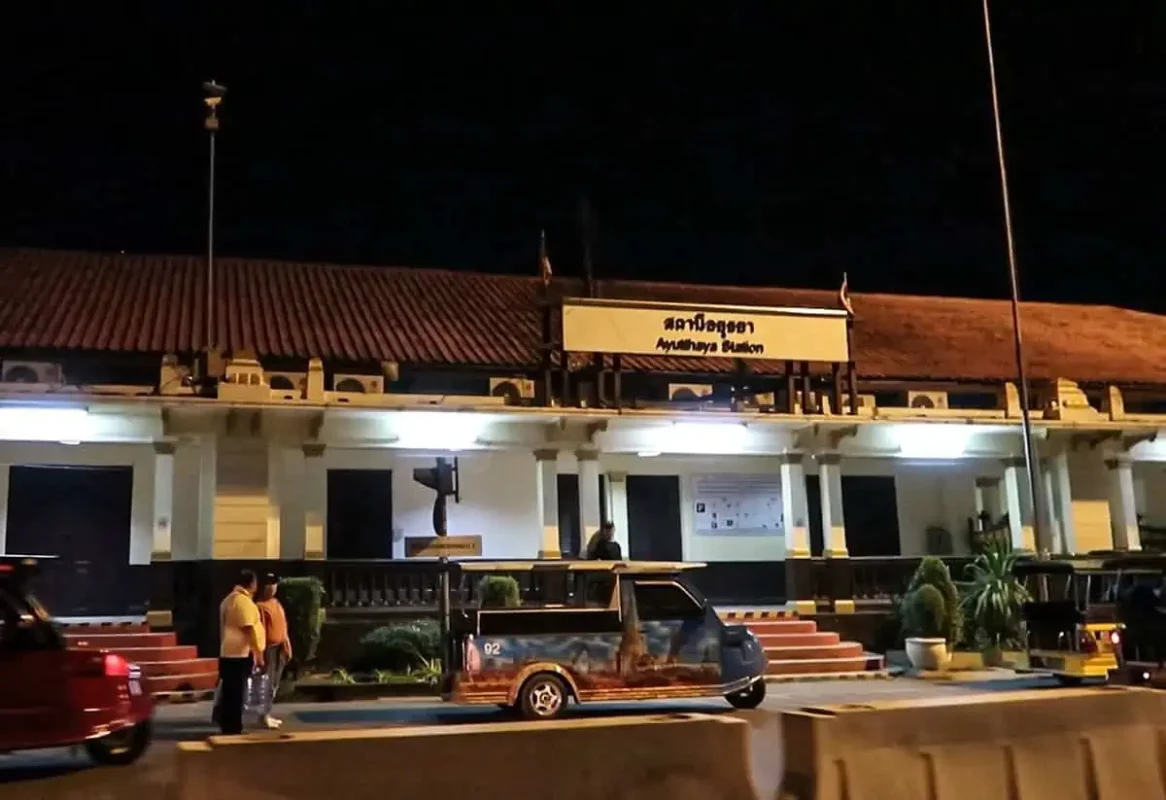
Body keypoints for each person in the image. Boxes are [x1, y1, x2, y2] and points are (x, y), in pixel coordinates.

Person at [216, 569, 265, 735]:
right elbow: (249, 628)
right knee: (236, 693)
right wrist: (258, 653)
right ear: (251, 584)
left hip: (228, 653)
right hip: (238, 654)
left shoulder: (228, 600)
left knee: (230, 692)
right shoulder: (242, 602)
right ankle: (233, 727)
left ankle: (228, 724)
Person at [254, 574, 292, 729]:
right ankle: (263, 715)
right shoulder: (260, 606)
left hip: (280, 647)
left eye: (274, 584)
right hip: (268, 648)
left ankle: (267, 713)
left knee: (274, 683)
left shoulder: (277, 603)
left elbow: (283, 627)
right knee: (267, 683)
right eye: (268, 584)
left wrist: (287, 644)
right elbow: (260, 630)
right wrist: (260, 655)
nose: (271, 587)